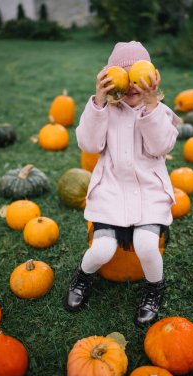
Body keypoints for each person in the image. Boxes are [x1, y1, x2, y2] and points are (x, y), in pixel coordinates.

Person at [64, 41, 181, 326]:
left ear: (151, 79)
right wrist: (99, 102)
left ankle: (154, 288)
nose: (130, 87)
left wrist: (151, 107)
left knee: (146, 245)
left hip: (148, 192)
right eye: (124, 78)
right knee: (102, 249)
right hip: (112, 191)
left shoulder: (159, 112)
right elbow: (88, 143)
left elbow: (161, 146)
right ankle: (82, 277)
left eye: (138, 79)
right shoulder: (105, 111)